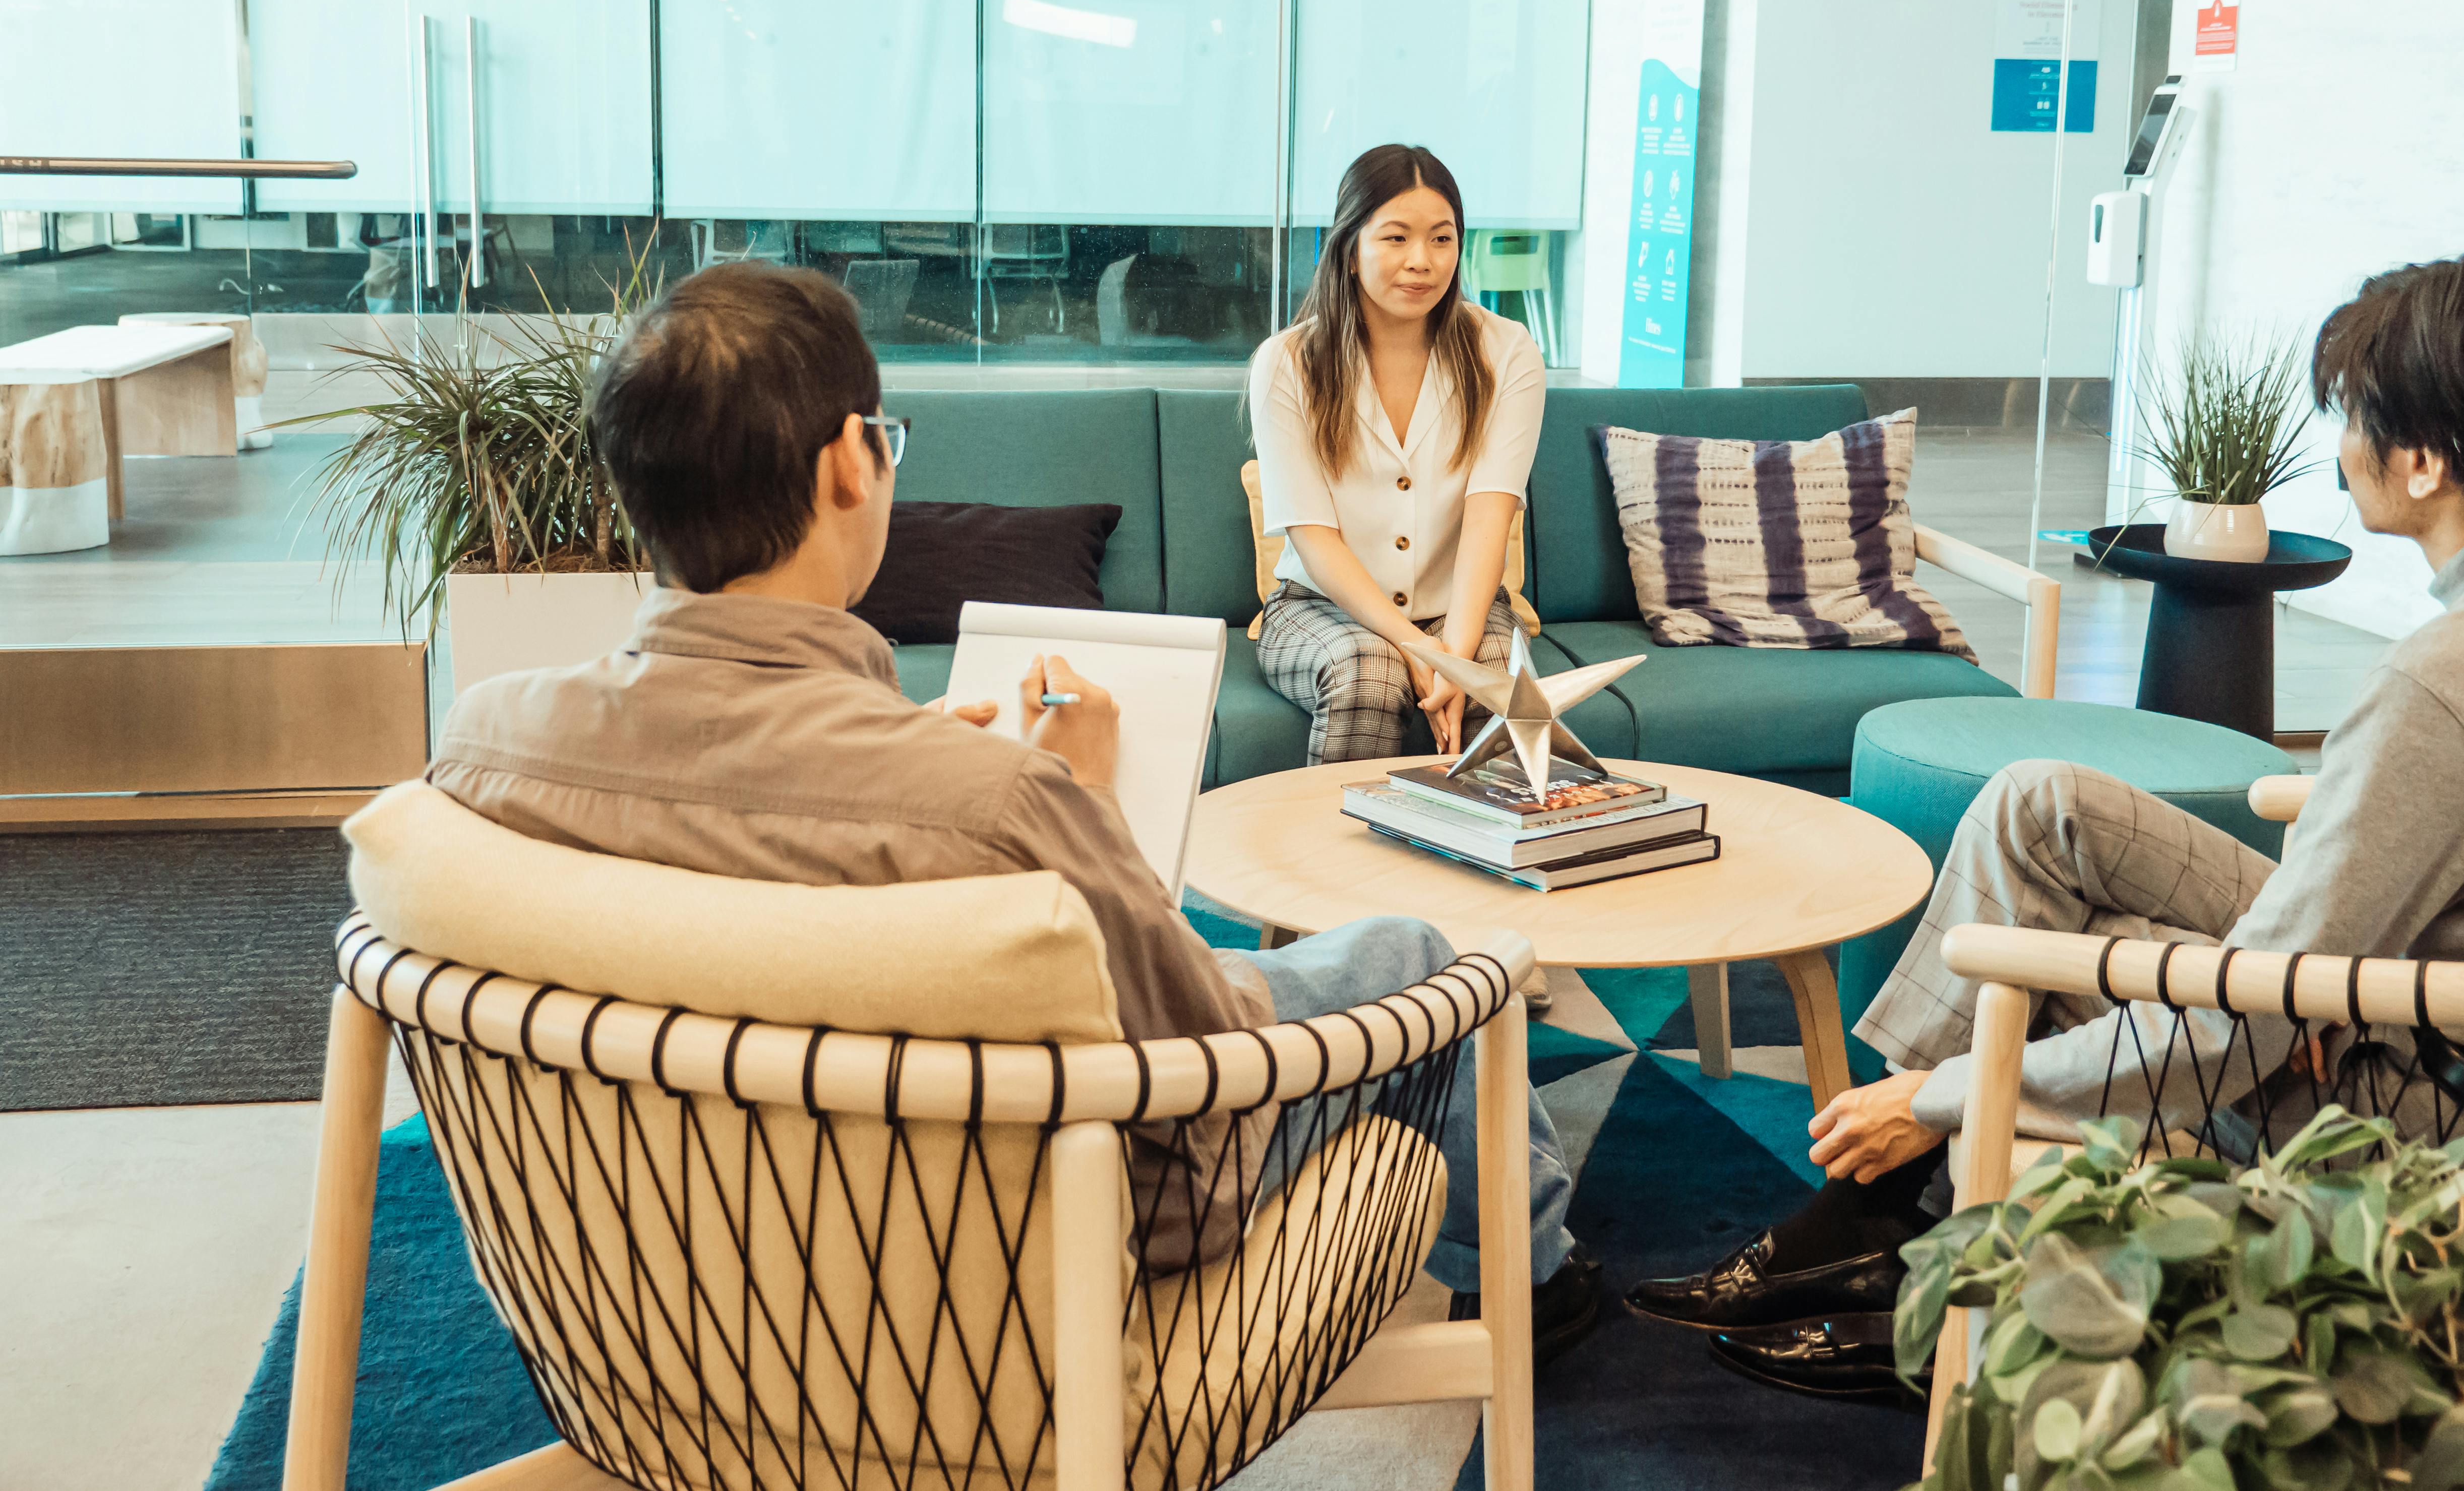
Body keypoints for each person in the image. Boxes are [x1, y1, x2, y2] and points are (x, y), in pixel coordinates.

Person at [424, 261, 1603, 1358]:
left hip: (657, 1291)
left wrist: (917, 772)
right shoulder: (1000, 804)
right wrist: (1082, 805)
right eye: (886, 441)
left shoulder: (483, 749)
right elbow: (1191, 1075)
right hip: (1005, 1293)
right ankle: (1543, 1287)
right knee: (1417, 953)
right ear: (850, 462)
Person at [1629, 251, 2464, 1402]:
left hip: (2420, 1103)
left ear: (2425, 459)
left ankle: (1933, 1262)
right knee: (2040, 808)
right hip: (2396, 991)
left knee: (2033, 959)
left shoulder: (2442, 684)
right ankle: (1895, 1212)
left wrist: (1930, 1091)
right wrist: (2298, 962)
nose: (2337, 442)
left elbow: (2241, 1029)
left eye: (2351, 414)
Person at [1251, 145, 1547, 764]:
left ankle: (1492, 856)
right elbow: (1314, 539)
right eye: (1396, 238)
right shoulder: (1287, 362)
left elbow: (1489, 519)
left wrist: (1454, 654)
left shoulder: (1507, 351)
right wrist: (1416, 646)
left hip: (1464, 608)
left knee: (1495, 674)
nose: (1422, 261)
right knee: (1370, 669)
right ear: (1349, 247)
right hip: (1319, 608)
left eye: (1442, 239)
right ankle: (1333, 859)